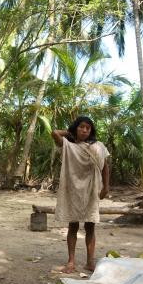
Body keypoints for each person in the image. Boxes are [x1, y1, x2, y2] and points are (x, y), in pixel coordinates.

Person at [52, 116, 110, 273]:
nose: (85, 130)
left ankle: (90, 262)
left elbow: (105, 166)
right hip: (73, 189)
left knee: (90, 225)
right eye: (81, 127)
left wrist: (106, 186)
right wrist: (69, 132)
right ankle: (71, 261)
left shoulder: (98, 146)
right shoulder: (68, 145)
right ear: (75, 128)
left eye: (88, 128)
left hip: (92, 189)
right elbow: (55, 133)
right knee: (73, 225)